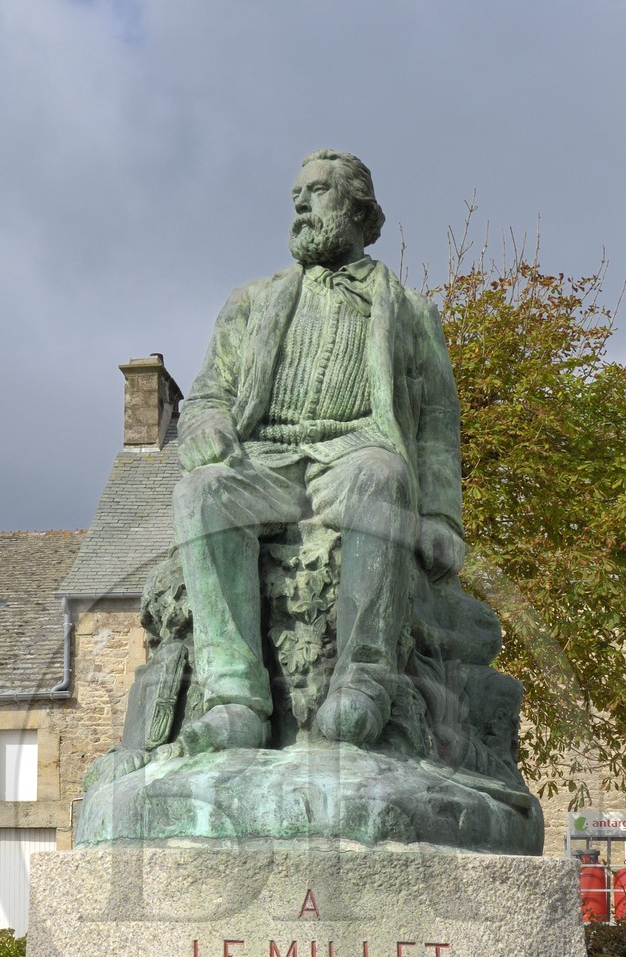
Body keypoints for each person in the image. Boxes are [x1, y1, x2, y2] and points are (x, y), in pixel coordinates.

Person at [170, 148, 466, 755]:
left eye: (319, 191)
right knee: (201, 492)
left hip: (355, 453)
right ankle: (234, 699)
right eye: (296, 195)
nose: (301, 203)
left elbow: (437, 421)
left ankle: (364, 680)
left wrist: (440, 518)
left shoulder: (409, 311)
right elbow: (206, 395)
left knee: (382, 477)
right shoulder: (252, 301)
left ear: (359, 209)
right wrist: (203, 426)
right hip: (267, 460)